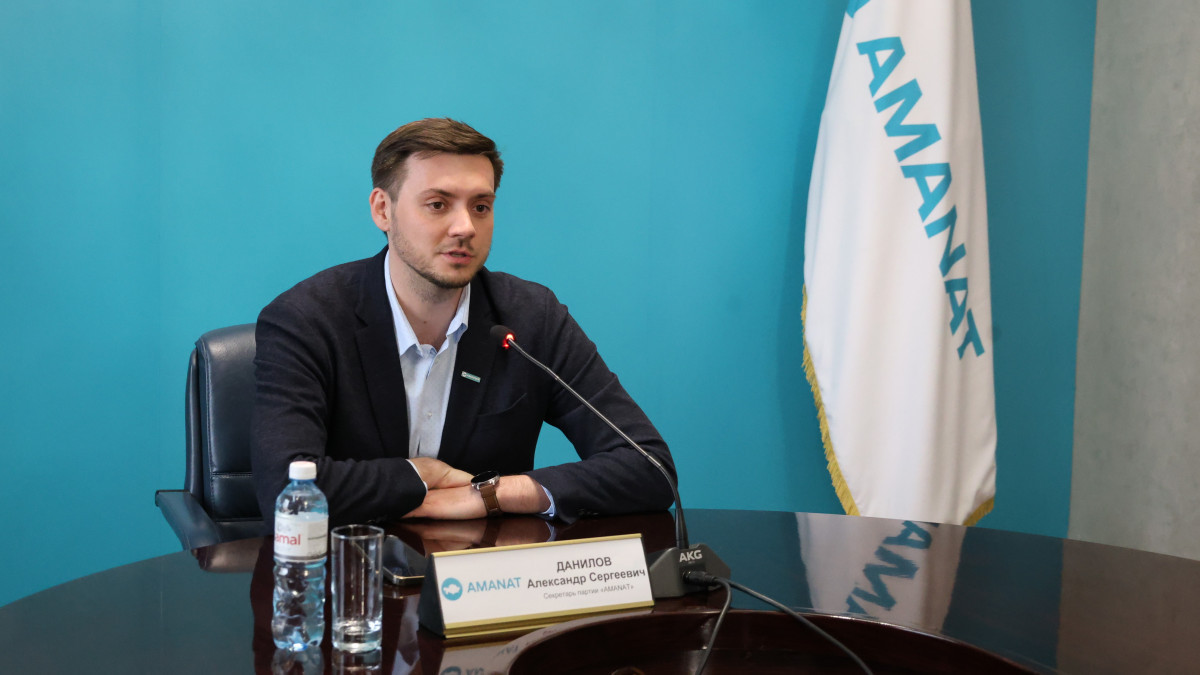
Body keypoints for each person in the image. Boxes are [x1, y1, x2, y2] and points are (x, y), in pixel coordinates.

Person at [251, 118, 675, 528]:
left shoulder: (531, 318)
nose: (465, 227)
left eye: (481, 207)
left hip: (484, 572)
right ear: (383, 210)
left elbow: (650, 467)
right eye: (438, 204)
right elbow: (285, 493)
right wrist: (421, 476)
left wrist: (494, 494)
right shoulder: (307, 319)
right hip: (350, 568)